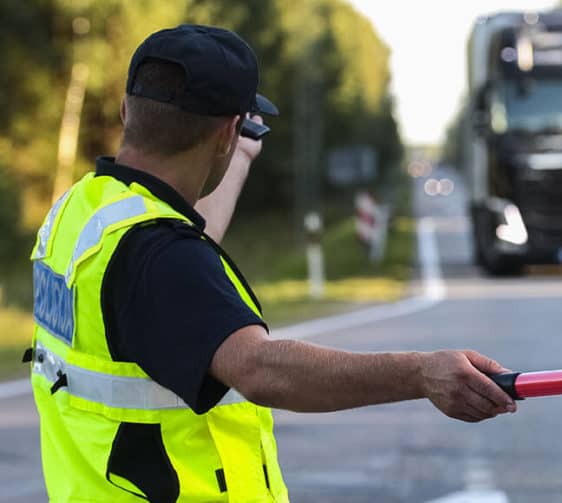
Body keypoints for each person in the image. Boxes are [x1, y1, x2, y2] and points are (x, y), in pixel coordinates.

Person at [27, 24, 515, 502]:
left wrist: (237, 156)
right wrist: (421, 373)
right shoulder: (160, 257)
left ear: (125, 109)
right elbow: (260, 368)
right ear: (226, 130)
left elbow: (177, 274)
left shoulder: (84, 212)